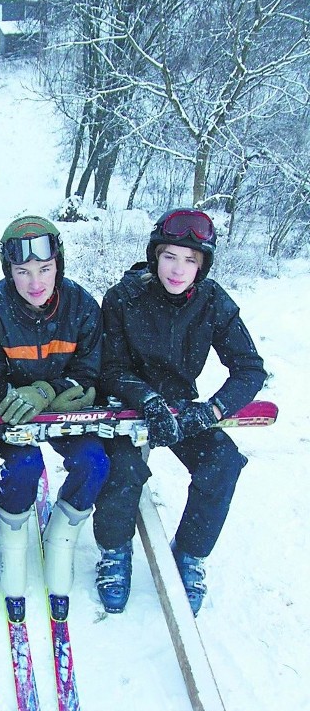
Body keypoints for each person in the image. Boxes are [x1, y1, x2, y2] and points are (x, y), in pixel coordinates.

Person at [92, 208, 267, 616]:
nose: (178, 268)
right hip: (126, 404)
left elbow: (249, 368)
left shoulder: (213, 302)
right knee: (123, 470)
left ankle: (190, 553)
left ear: (202, 266)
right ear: (156, 255)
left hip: (182, 406)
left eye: (191, 260)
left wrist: (211, 411)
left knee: (223, 463)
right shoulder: (123, 297)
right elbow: (111, 367)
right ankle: (115, 550)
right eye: (171, 255)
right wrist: (146, 399)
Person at [0, 215, 109, 622]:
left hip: (62, 409)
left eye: (45, 270)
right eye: (23, 271)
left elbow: (91, 370)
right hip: (13, 416)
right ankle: (11, 530)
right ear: (8, 271)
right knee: (25, 465)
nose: (36, 283)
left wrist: (52, 390)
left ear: (58, 266)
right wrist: (7, 397)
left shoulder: (81, 306)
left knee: (95, 462)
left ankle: (63, 532)